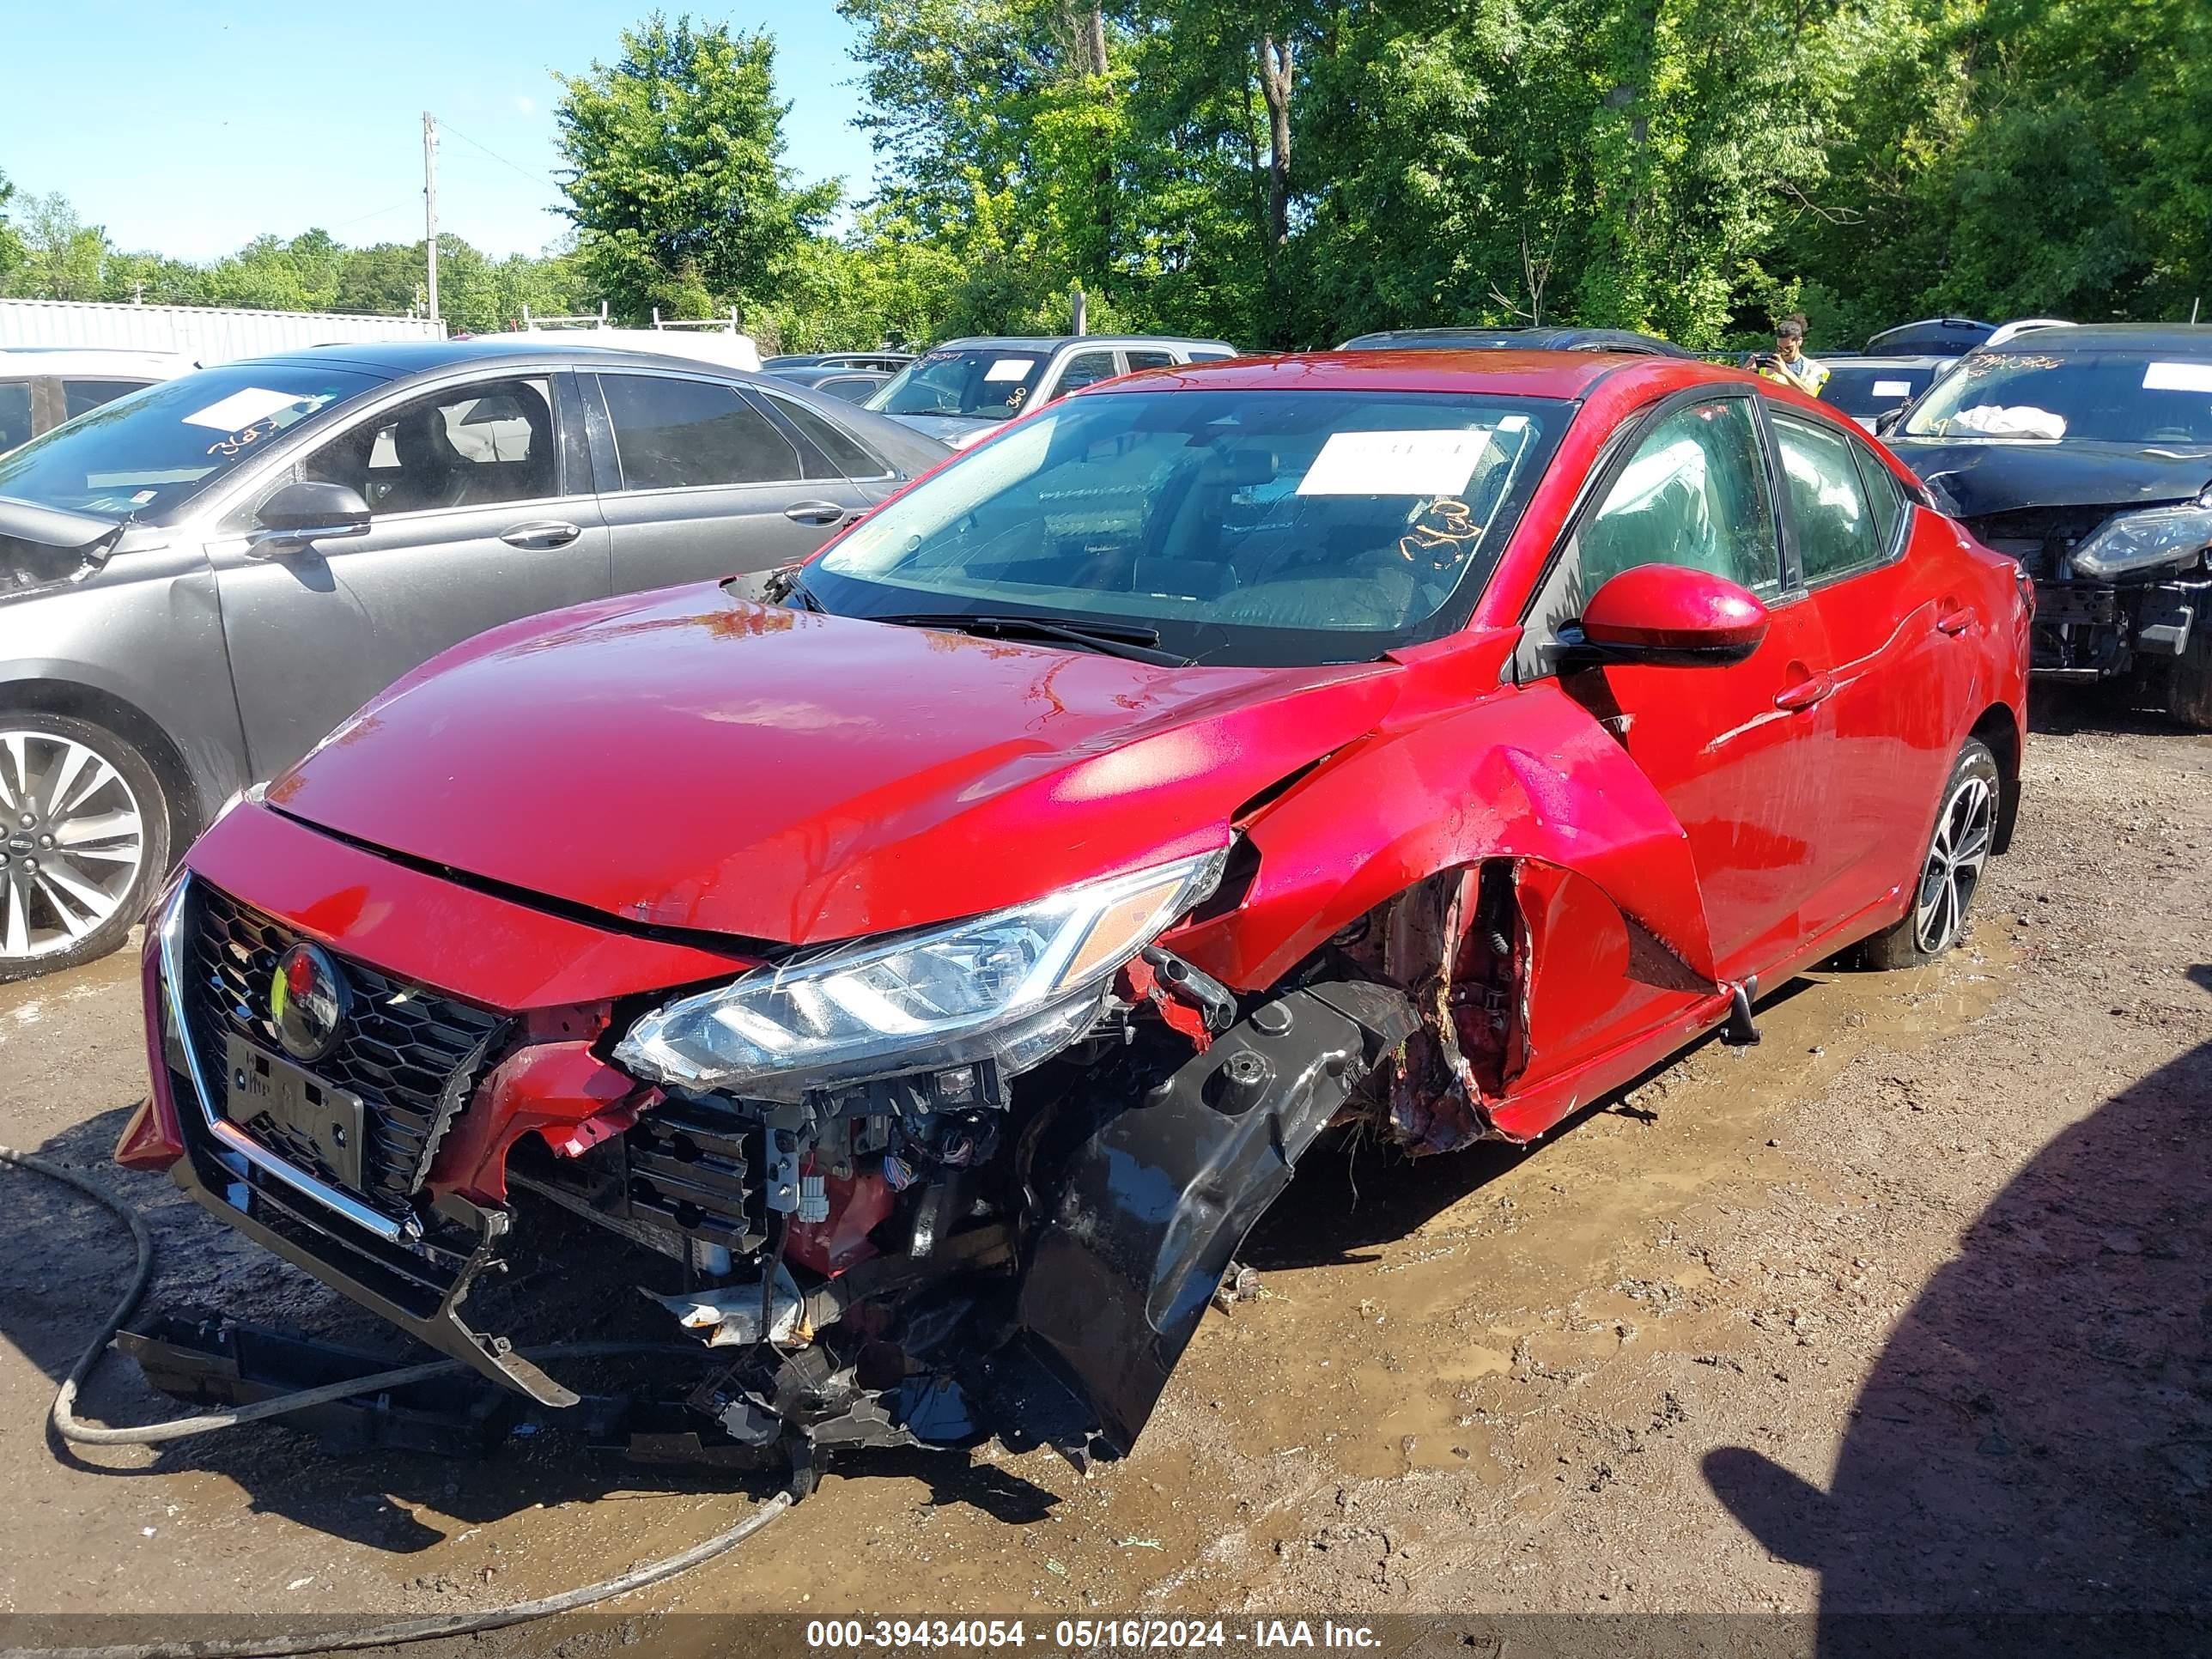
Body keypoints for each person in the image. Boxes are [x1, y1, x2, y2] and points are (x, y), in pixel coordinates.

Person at [1753, 314, 1829, 396]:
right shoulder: (1767, 367)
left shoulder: (1814, 369)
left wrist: (1785, 371)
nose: (1783, 352)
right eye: (1779, 348)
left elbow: (1809, 393)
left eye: (1788, 348)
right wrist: (1745, 371)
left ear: (1799, 341)